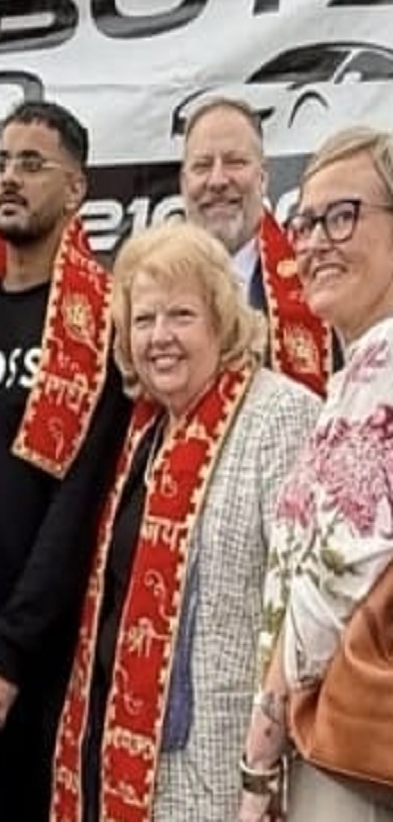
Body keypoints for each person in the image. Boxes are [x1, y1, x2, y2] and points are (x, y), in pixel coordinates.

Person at [49, 222, 320, 822]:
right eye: (143, 320)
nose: (159, 338)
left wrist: (261, 768)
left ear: (222, 320)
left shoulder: (281, 415)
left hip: (227, 772)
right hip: (123, 762)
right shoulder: (144, 432)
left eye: (181, 315)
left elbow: (305, 614)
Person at [0, 100, 130, 822]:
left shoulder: (100, 321)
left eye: (31, 164)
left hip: (45, 668)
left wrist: (10, 652)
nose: (9, 178)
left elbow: (79, 502)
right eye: (1, 163)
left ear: (76, 191)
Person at [240, 126, 393, 821]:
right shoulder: (357, 370)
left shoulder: (383, 364)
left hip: (351, 747)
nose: (314, 242)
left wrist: (259, 754)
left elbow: (330, 581)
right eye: (305, 220)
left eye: (344, 215)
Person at [180, 96, 333, 394]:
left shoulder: (316, 274)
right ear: (184, 183)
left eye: (235, 162)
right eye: (202, 166)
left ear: (262, 179)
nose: (218, 180)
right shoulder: (152, 283)